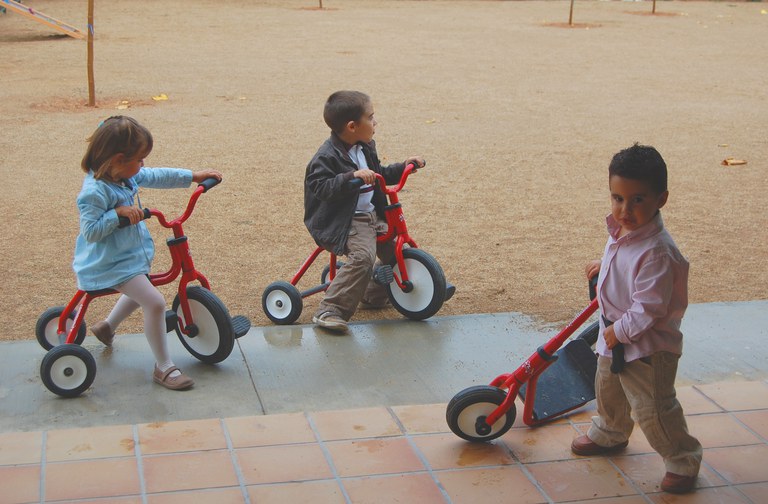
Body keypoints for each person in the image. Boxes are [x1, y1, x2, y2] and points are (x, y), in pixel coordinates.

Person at [572, 143, 702, 494]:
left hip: (647, 348)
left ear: (661, 199)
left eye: (637, 200)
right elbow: (624, 261)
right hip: (614, 335)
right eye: (617, 198)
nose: (624, 210)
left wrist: (620, 331)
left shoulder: (658, 252)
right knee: (608, 389)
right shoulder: (624, 230)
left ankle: (682, 458)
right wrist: (604, 265)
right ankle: (610, 431)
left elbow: (649, 307)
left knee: (654, 408)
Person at [73, 116, 222, 390]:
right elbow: (90, 231)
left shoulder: (123, 174)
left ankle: (107, 327)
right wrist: (116, 214)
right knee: (153, 302)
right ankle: (164, 367)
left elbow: (155, 175)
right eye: (140, 159)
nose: (143, 165)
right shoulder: (94, 192)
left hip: (127, 257)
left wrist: (192, 177)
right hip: (109, 264)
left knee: (142, 290)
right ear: (119, 159)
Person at [304, 90, 425, 333]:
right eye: (370, 117)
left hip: (370, 215)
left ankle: (373, 294)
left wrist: (403, 167)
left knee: (396, 250)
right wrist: (352, 176)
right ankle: (330, 310)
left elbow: (379, 173)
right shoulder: (326, 157)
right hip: (343, 221)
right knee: (362, 257)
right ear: (352, 126)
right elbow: (321, 187)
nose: (375, 122)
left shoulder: (365, 147)